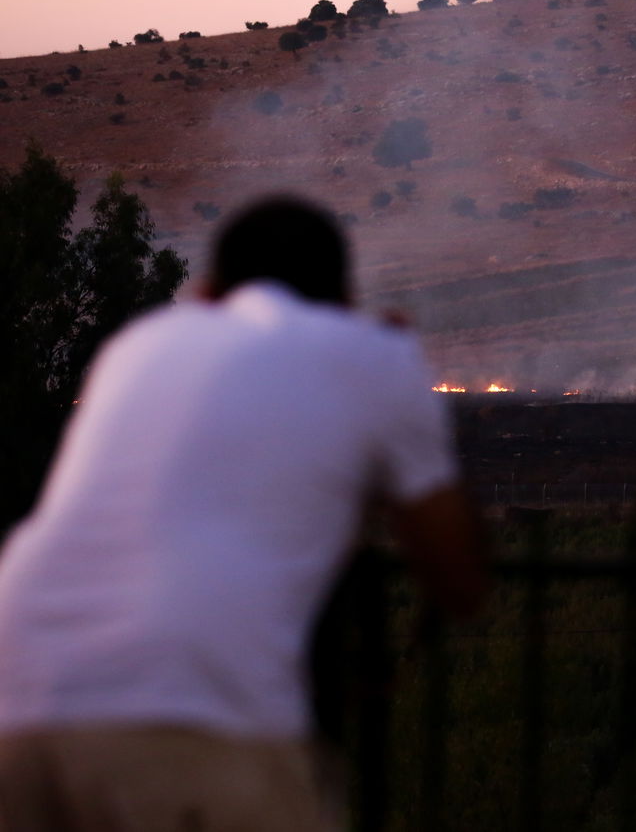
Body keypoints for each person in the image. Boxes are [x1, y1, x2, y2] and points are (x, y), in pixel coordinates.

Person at [0, 195, 490, 831]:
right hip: (195, 710)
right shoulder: (372, 354)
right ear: (343, 297)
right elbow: (460, 580)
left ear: (205, 291)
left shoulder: (138, 343)